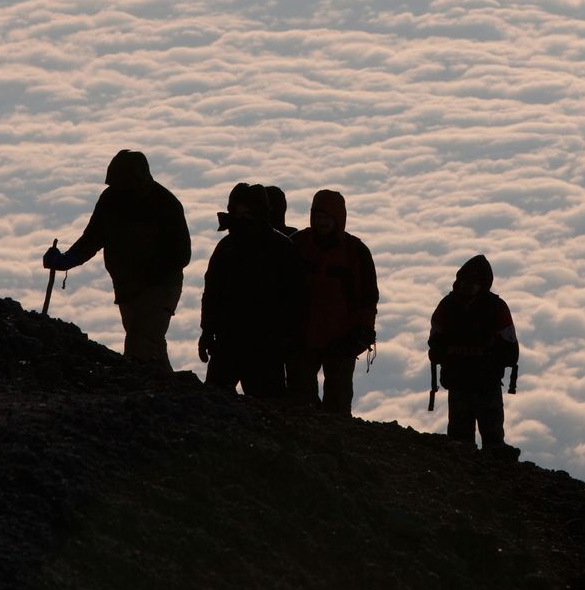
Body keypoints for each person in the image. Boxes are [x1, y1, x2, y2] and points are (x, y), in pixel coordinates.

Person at [43, 151, 191, 370]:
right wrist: (67, 259)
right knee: (148, 345)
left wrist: (150, 274)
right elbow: (92, 239)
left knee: (139, 343)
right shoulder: (110, 199)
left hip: (159, 287)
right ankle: (172, 393)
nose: (121, 190)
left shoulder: (165, 204)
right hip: (127, 289)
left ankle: (146, 394)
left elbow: (181, 254)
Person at [199, 183, 296, 397]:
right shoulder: (226, 248)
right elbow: (212, 292)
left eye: (248, 213)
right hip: (227, 340)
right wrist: (207, 331)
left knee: (269, 408)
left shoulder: (281, 248)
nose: (241, 218)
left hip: (266, 345)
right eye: (237, 212)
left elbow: (293, 298)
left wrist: (287, 339)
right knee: (214, 402)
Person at [288, 189, 377, 414]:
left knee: (337, 401)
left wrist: (363, 330)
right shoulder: (297, 244)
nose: (322, 222)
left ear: (339, 219)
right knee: (300, 399)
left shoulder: (356, 252)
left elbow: (368, 297)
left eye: (327, 218)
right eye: (318, 217)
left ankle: (335, 444)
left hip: (342, 338)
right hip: (302, 335)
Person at [428, 255, 520, 454]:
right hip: (477, 382)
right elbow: (510, 348)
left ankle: (468, 472)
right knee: (482, 441)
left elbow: (435, 343)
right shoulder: (496, 307)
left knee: (466, 441)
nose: (468, 286)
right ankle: (489, 472)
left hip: (471, 381)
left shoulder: (448, 305)